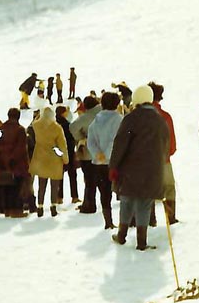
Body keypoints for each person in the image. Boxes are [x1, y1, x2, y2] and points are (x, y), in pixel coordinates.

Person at [109, 86, 169, 251]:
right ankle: (142, 242)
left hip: (131, 169)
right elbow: (166, 146)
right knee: (144, 203)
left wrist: (114, 166)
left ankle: (121, 235)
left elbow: (120, 144)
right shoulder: (159, 120)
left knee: (127, 200)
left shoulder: (131, 118)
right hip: (153, 171)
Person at [87, 92, 123, 229]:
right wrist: (107, 154)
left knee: (104, 193)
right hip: (116, 162)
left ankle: (108, 221)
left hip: (98, 163)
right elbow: (116, 140)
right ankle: (125, 221)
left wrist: (97, 154)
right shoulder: (119, 119)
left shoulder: (95, 120)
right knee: (122, 192)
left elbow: (90, 141)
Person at [29, 107, 69, 218]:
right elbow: (62, 145)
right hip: (54, 158)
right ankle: (53, 206)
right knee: (54, 184)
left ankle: (40, 206)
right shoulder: (57, 128)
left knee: (41, 184)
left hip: (40, 158)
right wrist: (65, 158)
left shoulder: (36, 125)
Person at [0, 108, 31, 217]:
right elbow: (21, 148)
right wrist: (12, 159)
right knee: (17, 188)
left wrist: (0, 158)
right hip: (17, 164)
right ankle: (17, 211)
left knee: (7, 188)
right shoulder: (20, 130)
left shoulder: (1, 129)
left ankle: (7, 210)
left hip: (2, 164)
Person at [149, 82, 178, 224]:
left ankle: (150, 219)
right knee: (169, 189)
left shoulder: (137, 116)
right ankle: (170, 217)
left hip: (145, 161)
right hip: (163, 160)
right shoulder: (166, 116)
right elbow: (172, 144)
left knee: (147, 191)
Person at [70, 96, 101, 213]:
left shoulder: (86, 117)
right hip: (106, 152)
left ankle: (89, 204)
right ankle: (105, 205)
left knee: (89, 180)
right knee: (104, 182)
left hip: (89, 153)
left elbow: (73, 128)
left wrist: (81, 137)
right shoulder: (106, 112)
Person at [55, 106, 80, 205]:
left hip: (57, 153)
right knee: (72, 175)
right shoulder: (68, 125)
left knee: (59, 176)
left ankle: (59, 197)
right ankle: (74, 196)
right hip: (68, 152)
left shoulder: (54, 125)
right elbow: (72, 139)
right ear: (63, 113)